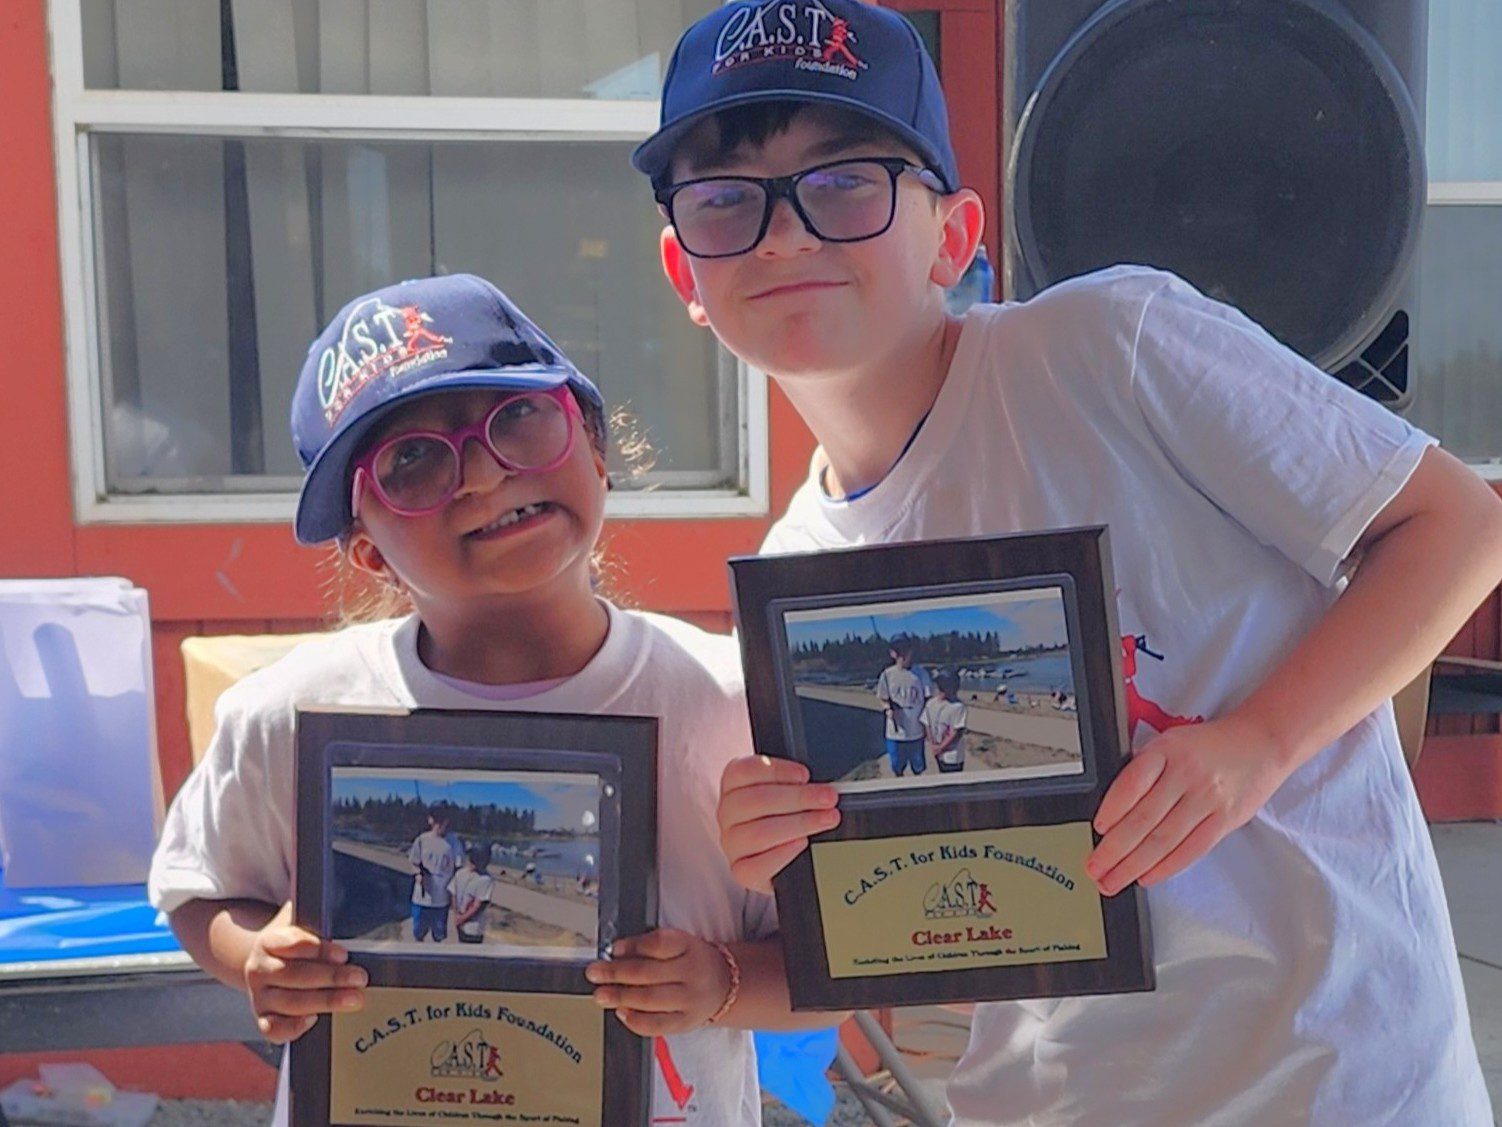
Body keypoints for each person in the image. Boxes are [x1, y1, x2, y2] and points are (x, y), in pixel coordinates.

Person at [634, 2, 1501, 1121]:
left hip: (1338, 1071)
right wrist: (791, 867)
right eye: (724, 201)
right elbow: (922, 943)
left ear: (952, 232)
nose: (785, 235)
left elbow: (1457, 528)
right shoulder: (798, 575)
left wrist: (1256, 742)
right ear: (682, 271)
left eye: (845, 182)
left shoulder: (1106, 344)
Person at [148, 274, 833, 1125]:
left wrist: (719, 982)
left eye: (517, 419)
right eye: (412, 460)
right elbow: (196, 885)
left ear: (594, 447)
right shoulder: (285, 715)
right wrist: (259, 955)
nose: (479, 472)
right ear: (367, 550)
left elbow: (831, 965)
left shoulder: (733, 701)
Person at [408, 803, 463, 942]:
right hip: (421, 900)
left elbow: (458, 871)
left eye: (443, 819)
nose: (440, 824)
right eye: (436, 819)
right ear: (430, 820)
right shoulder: (421, 840)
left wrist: (454, 898)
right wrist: (418, 874)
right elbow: (414, 863)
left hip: (441, 902)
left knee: (438, 936)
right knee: (418, 933)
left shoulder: (454, 843)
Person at [875, 637, 929, 776]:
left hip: (916, 733)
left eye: (906, 650)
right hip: (895, 734)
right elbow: (882, 698)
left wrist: (927, 726)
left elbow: (928, 700)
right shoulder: (887, 675)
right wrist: (888, 709)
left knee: (918, 768)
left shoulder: (921, 673)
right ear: (893, 654)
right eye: (899, 651)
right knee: (897, 767)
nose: (904, 655)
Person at [921, 671, 968, 775]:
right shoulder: (957, 706)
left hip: (949, 753)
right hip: (949, 754)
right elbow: (955, 733)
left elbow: (955, 732)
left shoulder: (931, 703)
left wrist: (935, 746)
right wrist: (936, 746)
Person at [449, 844, 495, 945]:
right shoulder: (486, 879)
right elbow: (479, 906)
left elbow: (453, 895)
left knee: (462, 946)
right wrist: (462, 918)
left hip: (460, 919)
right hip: (473, 926)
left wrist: (456, 915)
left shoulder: (460, 873)